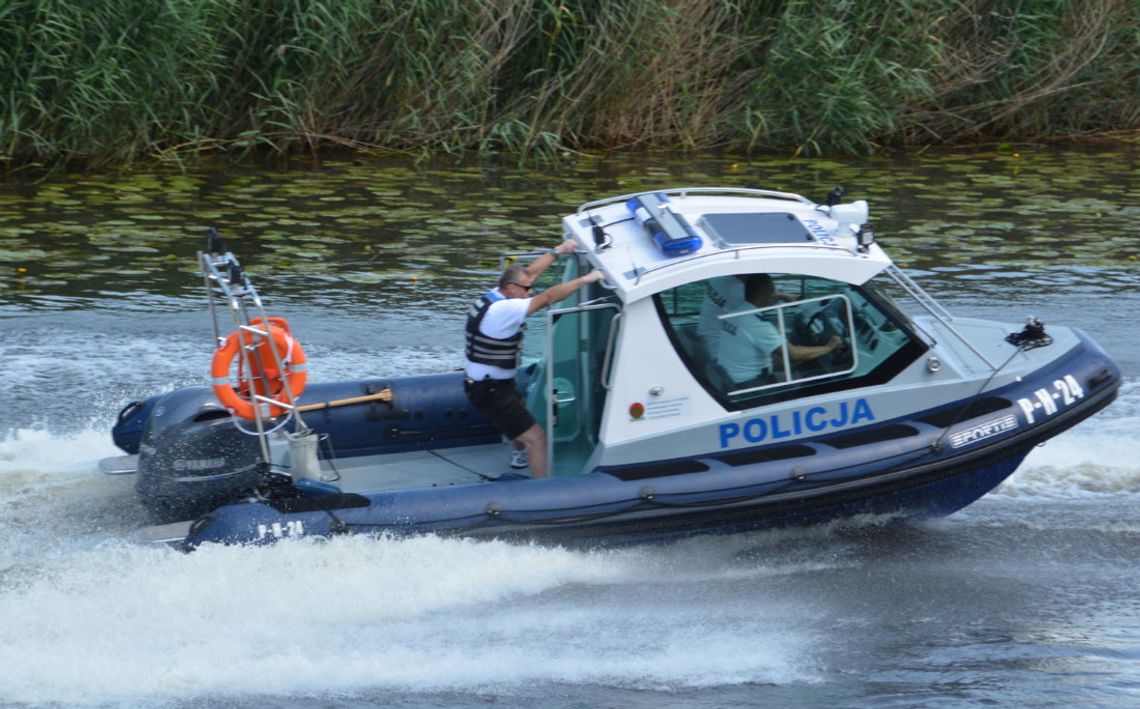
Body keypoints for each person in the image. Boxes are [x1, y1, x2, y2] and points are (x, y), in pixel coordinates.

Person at [463, 240, 606, 478]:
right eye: (527, 289)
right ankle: (544, 492)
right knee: (538, 438)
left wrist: (558, 251)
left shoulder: (492, 298)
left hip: (491, 383)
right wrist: (586, 280)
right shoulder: (505, 311)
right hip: (490, 390)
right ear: (511, 287)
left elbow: (530, 273)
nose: (530, 293)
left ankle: (519, 454)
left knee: (519, 406)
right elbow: (548, 298)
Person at [716, 274, 842, 387]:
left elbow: (782, 355)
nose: (774, 295)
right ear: (762, 295)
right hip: (750, 385)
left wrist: (779, 296)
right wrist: (829, 347)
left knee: (796, 363)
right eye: (772, 292)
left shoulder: (736, 312)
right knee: (799, 387)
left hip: (731, 377)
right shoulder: (758, 325)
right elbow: (793, 354)